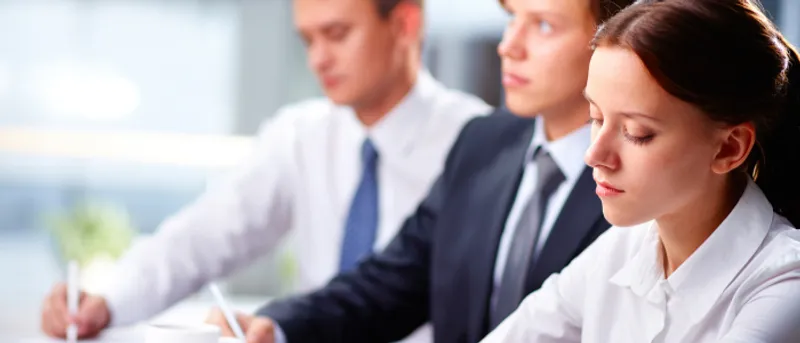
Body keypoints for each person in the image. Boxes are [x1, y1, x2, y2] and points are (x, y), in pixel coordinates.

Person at [39, 0, 491, 340]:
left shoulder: (481, 146)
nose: (318, 59)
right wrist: (107, 300)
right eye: (308, 40)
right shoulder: (300, 135)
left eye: (336, 34)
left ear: (404, 24)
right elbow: (202, 237)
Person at [203, 0, 635, 342]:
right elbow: (391, 283)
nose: (509, 46)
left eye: (542, 25)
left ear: (612, 41)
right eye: (510, 18)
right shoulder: (482, 143)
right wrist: (278, 326)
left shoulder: (641, 177)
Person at [481, 0, 800, 342]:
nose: (594, 154)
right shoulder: (622, 248)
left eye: (637, 133)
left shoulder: (783, 286)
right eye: (596, 118)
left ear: (729, 148)